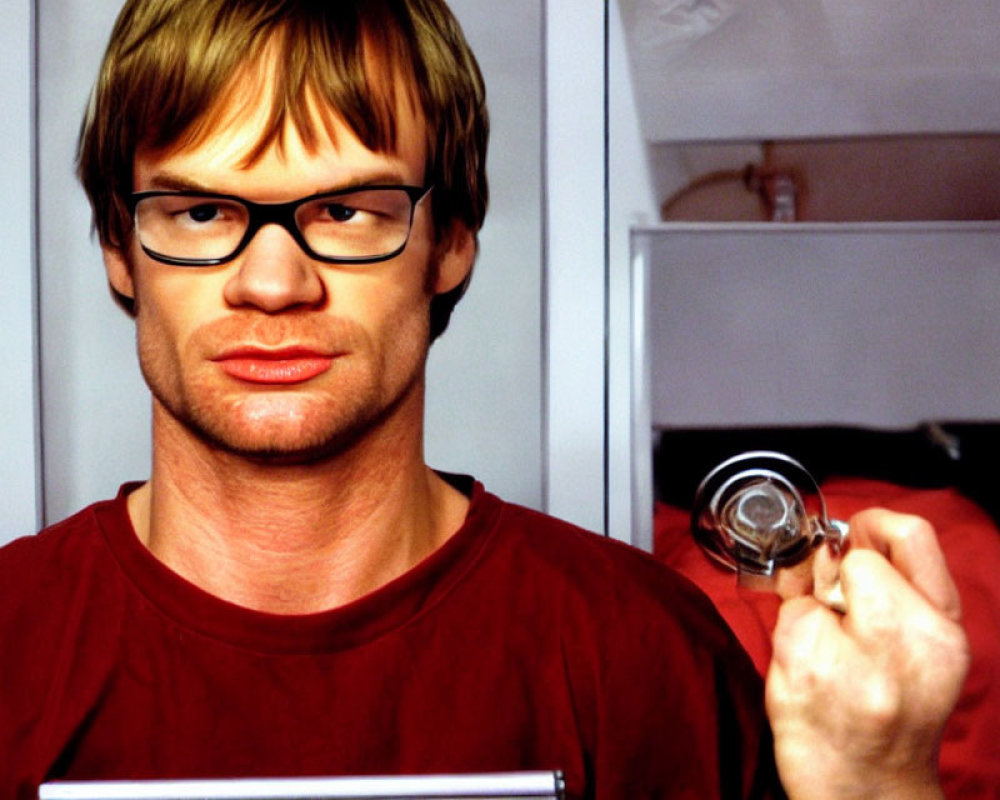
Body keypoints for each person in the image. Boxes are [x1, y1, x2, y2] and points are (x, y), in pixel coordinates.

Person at [0, 1, 968, 797]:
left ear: (451, 240)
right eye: (201, 211)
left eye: (345, 210)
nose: (273, 283)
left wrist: (874, 781)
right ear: (119, 249)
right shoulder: (13, 639)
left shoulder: (645, 651)